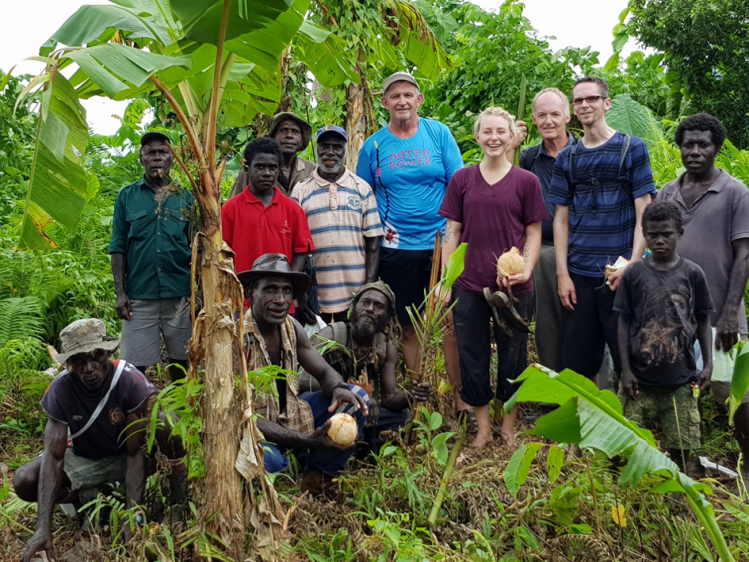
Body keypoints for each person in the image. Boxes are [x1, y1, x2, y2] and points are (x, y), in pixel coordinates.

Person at [17, 319, 186, 562]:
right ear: (69, 365)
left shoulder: (128, 380)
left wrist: (132, 514)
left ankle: (176, 501)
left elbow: (134, 453)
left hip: (127, 456)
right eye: (79, 360)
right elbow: (53, 458)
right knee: (25, 479)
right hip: (87, 457)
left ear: (108, 352)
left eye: (96, 356)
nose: (89, 368)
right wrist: (43, 527)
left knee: (166, 422)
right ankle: (90, 500)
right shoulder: (60, 389)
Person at [356, 71, 467, 417]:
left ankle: (460, 399)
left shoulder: (439, 134)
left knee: (447, 321)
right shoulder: (374, 145)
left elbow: (458, 184)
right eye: (394, 96)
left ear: (419, 100)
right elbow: (363, 194)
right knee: (408, 325)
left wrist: (455, 236)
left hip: (440, 244)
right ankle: (420, 398)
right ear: (385, 102)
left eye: (408, 95)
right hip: (396, 246)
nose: (402, 101)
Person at [439, 107, 548, 448]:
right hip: (470, 283)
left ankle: (509, 427)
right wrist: (447, 279)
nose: (494, 138)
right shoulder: (462, 180)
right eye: (487, 132)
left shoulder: (526, 181)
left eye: (501, 132)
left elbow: (533, 233)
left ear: (510, 136)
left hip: (512, 285)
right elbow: (452, 231)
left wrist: (526, 270)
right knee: (474, 355)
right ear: (477, 138)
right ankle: (483, 428)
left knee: (513, 355)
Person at [548, 76, 656, 386]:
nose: (584, 105)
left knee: (629, 357)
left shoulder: (631, 148)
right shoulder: (567, 158)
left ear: (606, 103)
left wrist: (634, 263)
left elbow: (644, 212)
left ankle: (632, 426)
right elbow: (561, 219)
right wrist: (562, 274)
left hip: (620, 273)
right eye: (578, 100)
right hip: (579, 273)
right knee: (580, 360)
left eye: (591, 98)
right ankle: (585, 428)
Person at [657, 113, 749, 474]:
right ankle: (687, 465)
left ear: (716, 148)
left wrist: (729, 312)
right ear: (679, 148)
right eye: (687, 144)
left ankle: (747, 467)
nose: (694, 151)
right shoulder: (667, 191)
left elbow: (744, 254)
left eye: (703, 144)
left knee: (735, 393)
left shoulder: (734, 192)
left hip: (720, 313)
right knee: (678, 392)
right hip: (674, 315)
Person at [237, 253, 369, 493]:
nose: (280, 300)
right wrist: (306, 441)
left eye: (286, 291)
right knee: (272, 463)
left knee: (355, 397)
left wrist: (339, 389)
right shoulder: (237, 339)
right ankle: (295, 459)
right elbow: (245, 417)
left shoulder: (291, 327)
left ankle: (317, 477)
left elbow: (323, 371)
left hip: (290, 415)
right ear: (250, 294)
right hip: (254, 429)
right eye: (270, 290)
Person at [615, 201, 713, 474]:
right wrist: (625, 370)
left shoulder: (693, 273)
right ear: (644, 233)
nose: (659, 240)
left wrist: (707, 365)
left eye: (666, 234)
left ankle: (678, 499)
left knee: (683, 448)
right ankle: (631, 496)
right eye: (652, 234)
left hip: (681, 382)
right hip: (639, 382)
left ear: (680, 233)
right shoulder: (634, 273)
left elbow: (703, 319)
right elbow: (623, 321)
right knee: (624, 448)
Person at [299, 281, 432, 455]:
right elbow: (302, 381)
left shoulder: (385, 345)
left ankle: (355, 446)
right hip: (325, 406)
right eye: (365, 303)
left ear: (388, 315)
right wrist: (359, 395)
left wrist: (412, 394)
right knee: (352, 408)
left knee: (402, 420)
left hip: (360, 410)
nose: (370, 309)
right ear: (354, 307)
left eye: (378, 306)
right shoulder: (332, 335)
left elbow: (390, 398)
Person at [108, 131, 194, 382]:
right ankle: (139, 416)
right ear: (141, 159)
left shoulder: (186, 197)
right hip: (139, 297)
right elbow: (118, 245)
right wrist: (120, 293)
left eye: (163, 152)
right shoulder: (127, 196)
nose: (157, 157)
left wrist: (198, 293)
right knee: (134, 368)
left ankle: (181, 414)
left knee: (182, 362)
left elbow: (198, 246)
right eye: (151, 152)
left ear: (172, 159)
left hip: (179, 295)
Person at [291, 126, 384, 322]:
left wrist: (366, 290)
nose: (330, 153)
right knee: (317, 348)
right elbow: (293, 245)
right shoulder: (300, 191)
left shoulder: (362, 188)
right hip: (315, 294)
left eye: (337, 147)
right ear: (317, 150)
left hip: (354, 293)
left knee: (351, 347)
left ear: (346, 150)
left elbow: (373, 243)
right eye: (324, 146)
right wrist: (300, 293)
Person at [222, 138, 316, 324]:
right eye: (260, 167)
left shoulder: (292, 209)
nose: (267, 173)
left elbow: (301, 251)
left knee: (280, 349)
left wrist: (288, 286)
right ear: (247, 169)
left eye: (272, 167)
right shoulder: (230, 208)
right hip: (242, 301)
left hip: (280, 303)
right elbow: (223, 254)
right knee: (245, 350)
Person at [518, 88, 575, 372]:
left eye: (555, 114)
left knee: (585, 321)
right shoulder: (528, 159)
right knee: (548, 322)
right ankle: (553, 388)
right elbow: (499, 179)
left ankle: (591, 392)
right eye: (542, 115)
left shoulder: (586, 152)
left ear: (567, 115)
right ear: (533, 119)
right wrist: (508, 146)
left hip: (584, 248)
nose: (549, 120)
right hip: (546, 248)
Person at [228, 112, 315, 198]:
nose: (289, 135)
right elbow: (234, 206)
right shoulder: (251, 171)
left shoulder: (312, 170)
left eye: (295, 131)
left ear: (301, 140)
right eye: (283, 130)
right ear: (272, 137)